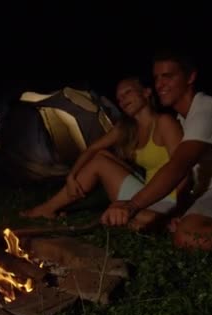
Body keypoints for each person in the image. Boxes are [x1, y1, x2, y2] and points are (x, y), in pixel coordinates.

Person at [100, 49, 212, 250]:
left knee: (188, 235)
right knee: (149, 225)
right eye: (156, 78)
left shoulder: (207, 110)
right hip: (207, 193)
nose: (159, 84)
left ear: (190, 77)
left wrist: (131, 205)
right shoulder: (182, 120)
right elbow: (190, 178)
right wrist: (180, 209)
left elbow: (179, 166)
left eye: (167, 76)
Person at [20, 76, 189, 230]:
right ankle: (48, 209)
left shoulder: (164, 122)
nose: (122, 100)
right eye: (119, 98)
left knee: (144, 220)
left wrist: (176, 210)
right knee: (100, 158)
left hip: (169, 199)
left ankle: (156, 221)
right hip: (145, 195)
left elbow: (183, 170)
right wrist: (71, 177)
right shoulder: (126, 128)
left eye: (128, 93)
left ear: (146, 92)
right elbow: (92, 149)